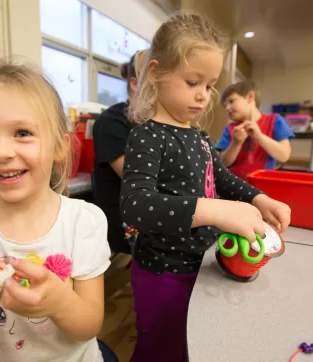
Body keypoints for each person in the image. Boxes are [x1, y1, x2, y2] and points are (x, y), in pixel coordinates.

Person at [120, 12, 291, 362]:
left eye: (209, 85)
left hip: (202, 263)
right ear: (155, 72)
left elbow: (223, 179)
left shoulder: (196, 135)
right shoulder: (147, 135)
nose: (203, 96)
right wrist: (212, 209)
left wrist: (259, 198)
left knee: (191, 346)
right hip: (163, 273)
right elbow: (135, 205)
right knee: (159, 350)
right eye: (192, 82)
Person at [0, 60, 111, 362]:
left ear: (60, 146)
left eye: (22, 132)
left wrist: (58, 303)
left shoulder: (83, 222)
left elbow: (90, 325)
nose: (1, 152)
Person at [93, 50, 147, 254]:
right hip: (124, 222)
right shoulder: (112, 121)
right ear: (135, 84)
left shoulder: (151, 124)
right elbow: (135, 176)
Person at [216, 80, 294, 180]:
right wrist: (236, 143)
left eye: (231, 101)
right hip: (234, 187)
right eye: (225, 105)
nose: (227, 108)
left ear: (250, 97)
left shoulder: (274, 121)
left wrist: (259, 136)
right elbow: (223, 163)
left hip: (264, 186)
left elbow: (284, 156)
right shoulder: (230, 129)